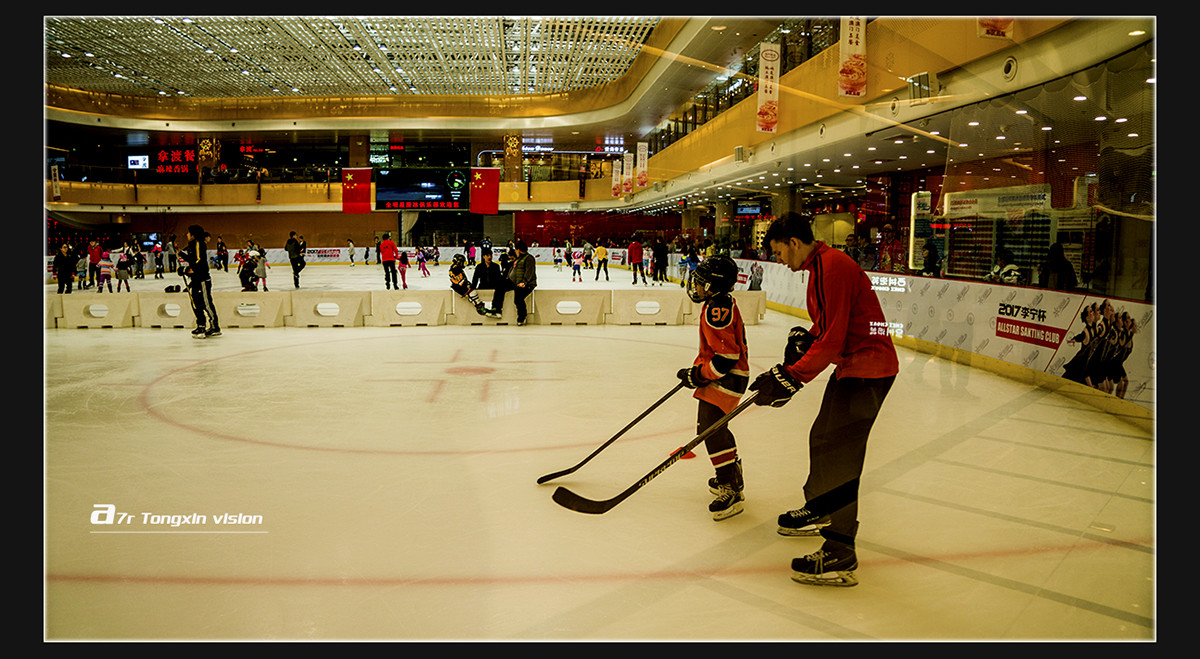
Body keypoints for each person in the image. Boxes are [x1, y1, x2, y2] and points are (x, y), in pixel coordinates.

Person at [750, 212, 898, 588]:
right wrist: (802, 348)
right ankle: (820, 508)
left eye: (778, 252)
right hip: (852, 367)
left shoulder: (832, 266)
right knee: (822, 439)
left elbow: (832, 338)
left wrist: (792, 376)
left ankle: (840, 551)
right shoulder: (819, 267)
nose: (778, 259)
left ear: (794, 243)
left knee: (841, 459)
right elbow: (828, 327)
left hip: (869, 370)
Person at [676, 255, 750, 521]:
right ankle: (730, 477)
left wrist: (700, 375)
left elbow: (727, 357)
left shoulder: (717, 309)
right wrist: (698, 372)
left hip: (727, 377)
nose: (696, 286)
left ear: (712, 285)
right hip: (725, 376)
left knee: (711, 429)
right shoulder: (719, 302)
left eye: (700, 281)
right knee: (714, 428)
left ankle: (729, 487)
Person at [179, 224, 221, 338]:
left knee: (206, 303)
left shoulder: (198, 244)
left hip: (202, 279)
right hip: (196, 279)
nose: (187, 235)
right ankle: (201, 325)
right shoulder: (192, 245)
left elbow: (198, 260)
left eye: (189, 233)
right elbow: (192, 259)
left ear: (193, 235)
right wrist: (180, 253)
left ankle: (215, 326)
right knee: (196, 303)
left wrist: (188, 270)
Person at [486, 240, 536, 325]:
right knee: (500, 286)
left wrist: (524, 282)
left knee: (518, 297)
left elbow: (529, 272)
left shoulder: (529, 258)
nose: (515, 252)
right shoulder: (518, 259)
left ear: (519, 250)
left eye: (516, 250)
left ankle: (522, 316)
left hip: (526, 284)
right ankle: (496, 309)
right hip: (515, 282)